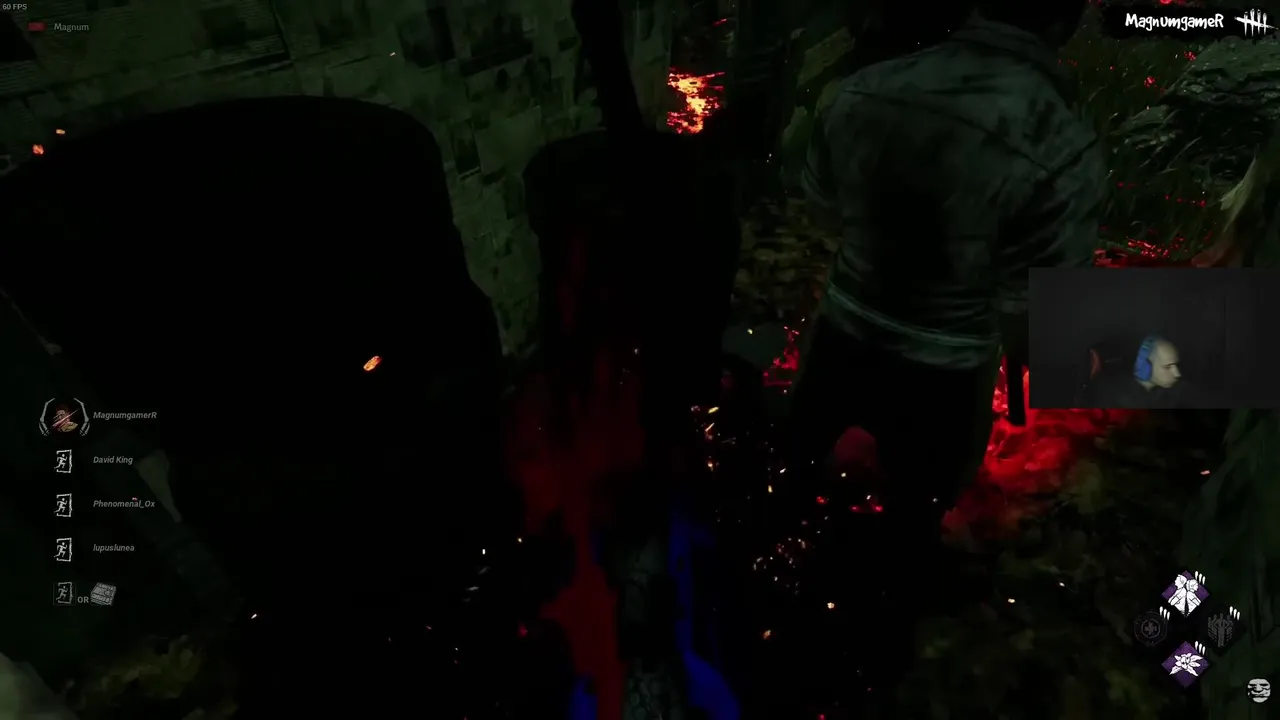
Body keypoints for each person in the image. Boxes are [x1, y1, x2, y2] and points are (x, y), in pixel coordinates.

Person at [789, 0, 1102, 682]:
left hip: (842, 333)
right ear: (1066, 22)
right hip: (944, 374)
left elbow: (821, 203)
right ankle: (873, 663)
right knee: (910, 524)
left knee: (790, 490)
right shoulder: (1064, 142)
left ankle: (776, 624)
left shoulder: (866, 87)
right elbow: (1040, 303)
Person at [1087, 336, 1190, 408]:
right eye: (1167, 367)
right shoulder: (1117, 395)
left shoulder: (1178, 390)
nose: (1177, 374)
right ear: (1146, 366)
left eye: (1176, 365)